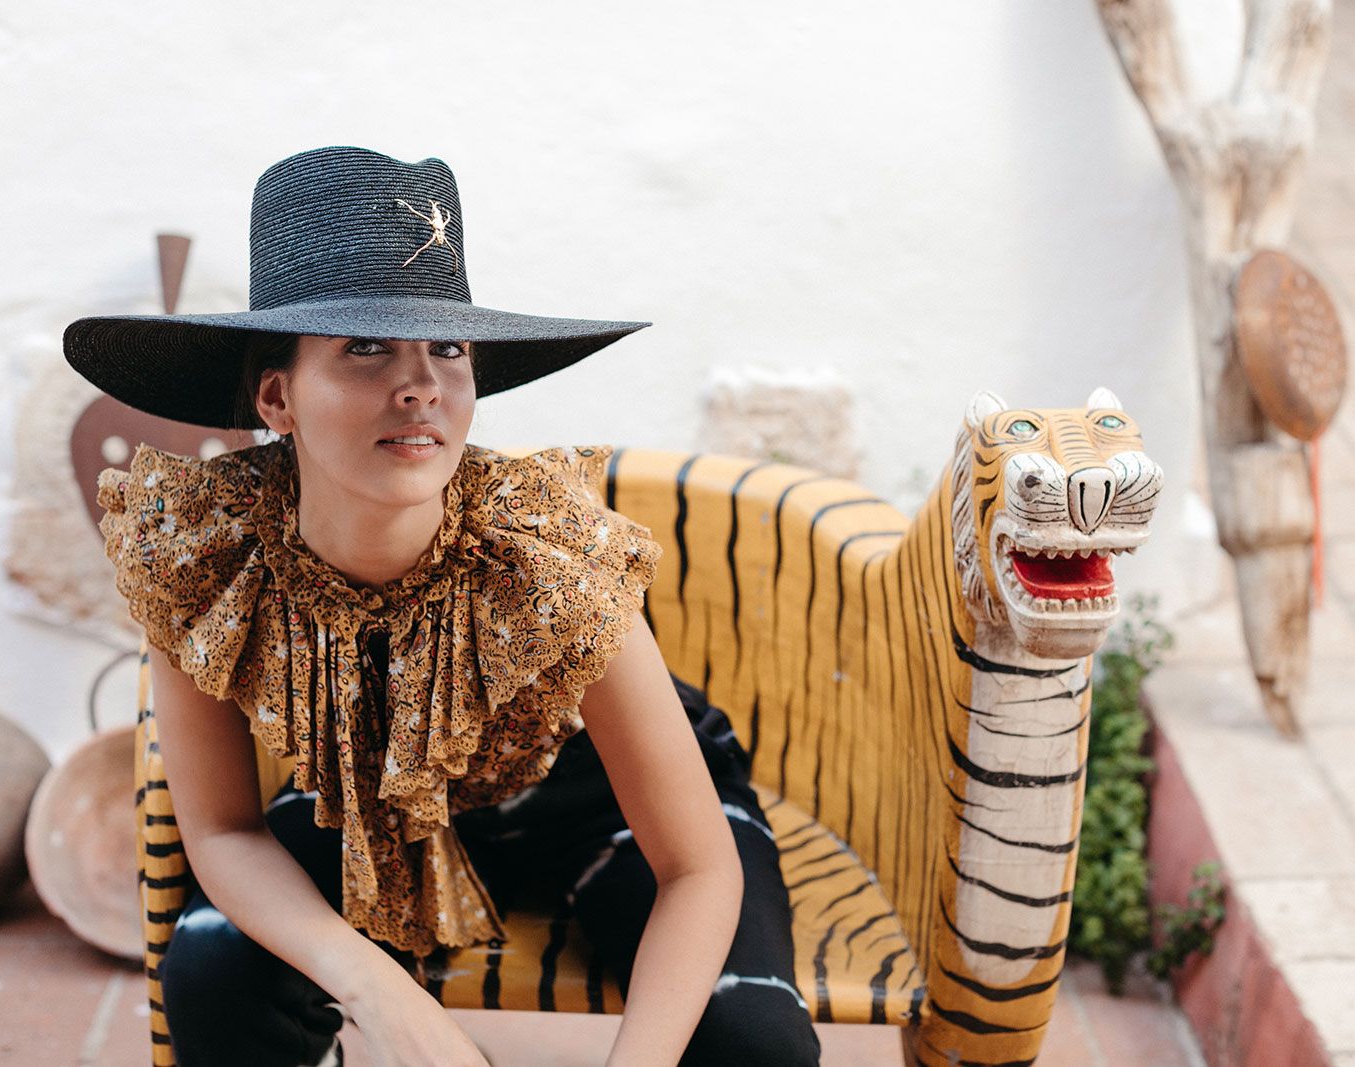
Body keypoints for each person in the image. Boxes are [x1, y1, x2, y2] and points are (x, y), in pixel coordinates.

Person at [65, 146, 823, 1067]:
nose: (420, 383)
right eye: (365, 346)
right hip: (373, 817)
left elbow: (696, 869)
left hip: (603, 808)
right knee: (213, 967)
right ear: (277, 395)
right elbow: (222, 830)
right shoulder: (204, 548)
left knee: (752, 1044)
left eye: (448, 348)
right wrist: (378, 994)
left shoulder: (546, 548)